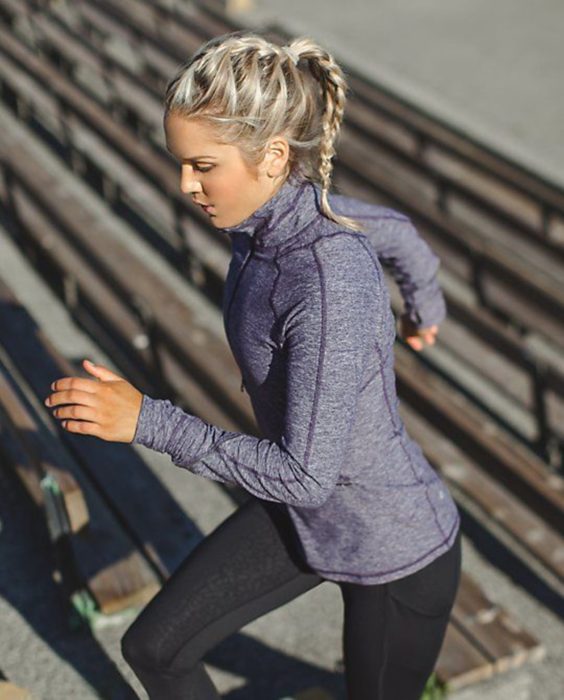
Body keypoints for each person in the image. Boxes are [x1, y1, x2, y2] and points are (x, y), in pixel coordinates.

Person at [44, 30, 462, 700]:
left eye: (203, 166)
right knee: (155, 648)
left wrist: (150, 423)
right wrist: (425, 308)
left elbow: (304, 475)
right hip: (309, 510)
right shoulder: (278, 215)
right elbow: (403, 236)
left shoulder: (325, 282)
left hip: (390, 549)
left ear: (271, 157)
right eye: (180, 162)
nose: (185, 185)